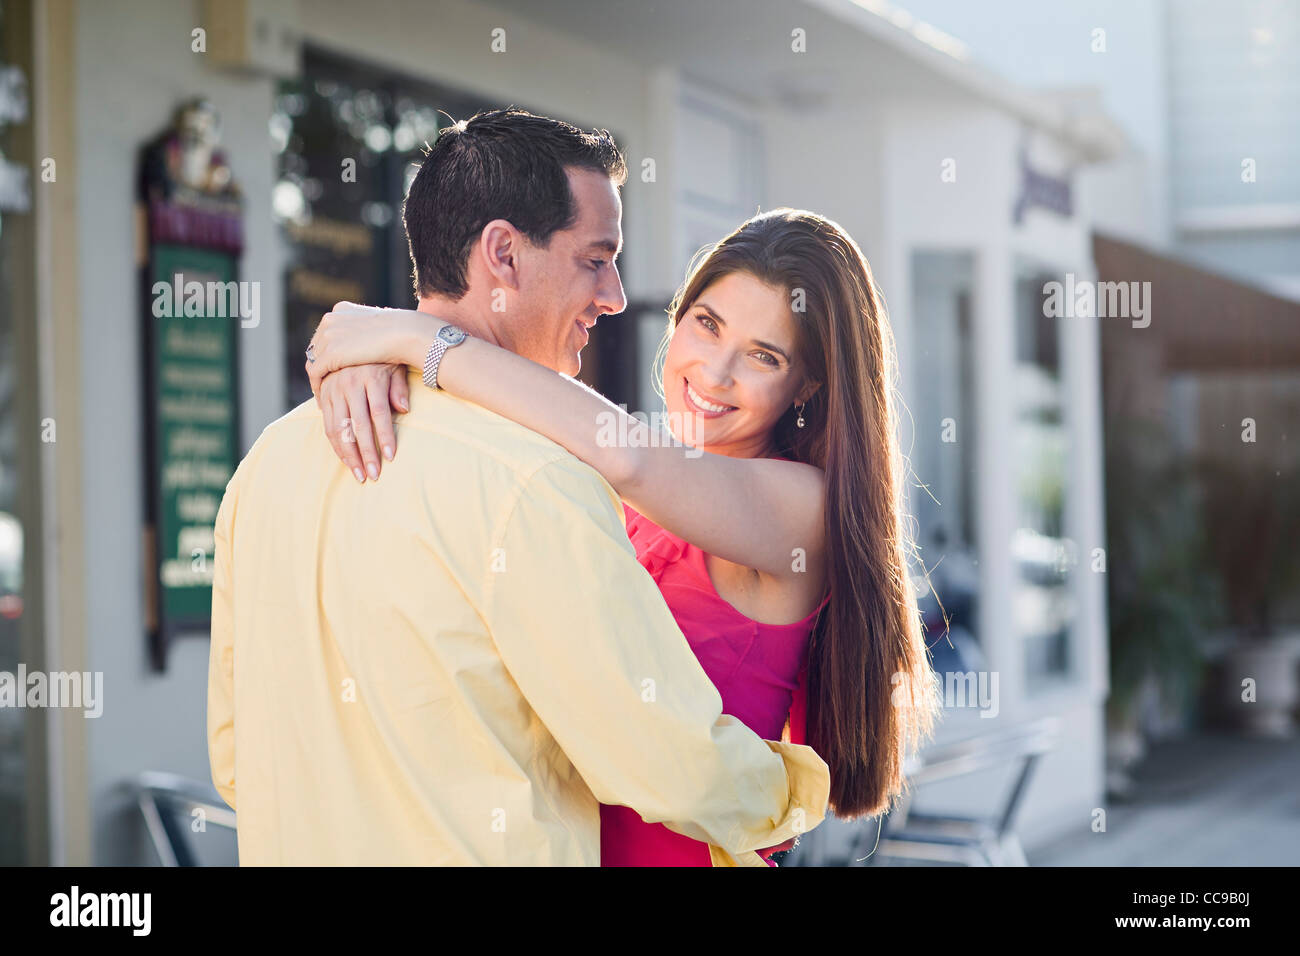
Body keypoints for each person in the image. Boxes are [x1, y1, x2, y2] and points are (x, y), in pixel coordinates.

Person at [207, 109, 831, 866]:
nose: (612, 295)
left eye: (763, 354)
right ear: (502, 253)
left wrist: (400, 339)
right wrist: (798, 795)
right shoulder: (537, 484)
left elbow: (238, 756)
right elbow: (670, 764)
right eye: (595, 260)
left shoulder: (270, 462)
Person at [307, 203, 943, 865]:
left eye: (762, 356)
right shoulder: (651, 485)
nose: (714, 373)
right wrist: (373, 363)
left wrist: (414, 340)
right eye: (706, 324)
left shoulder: (797, 506)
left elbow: (624, 455)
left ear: (806, 385)